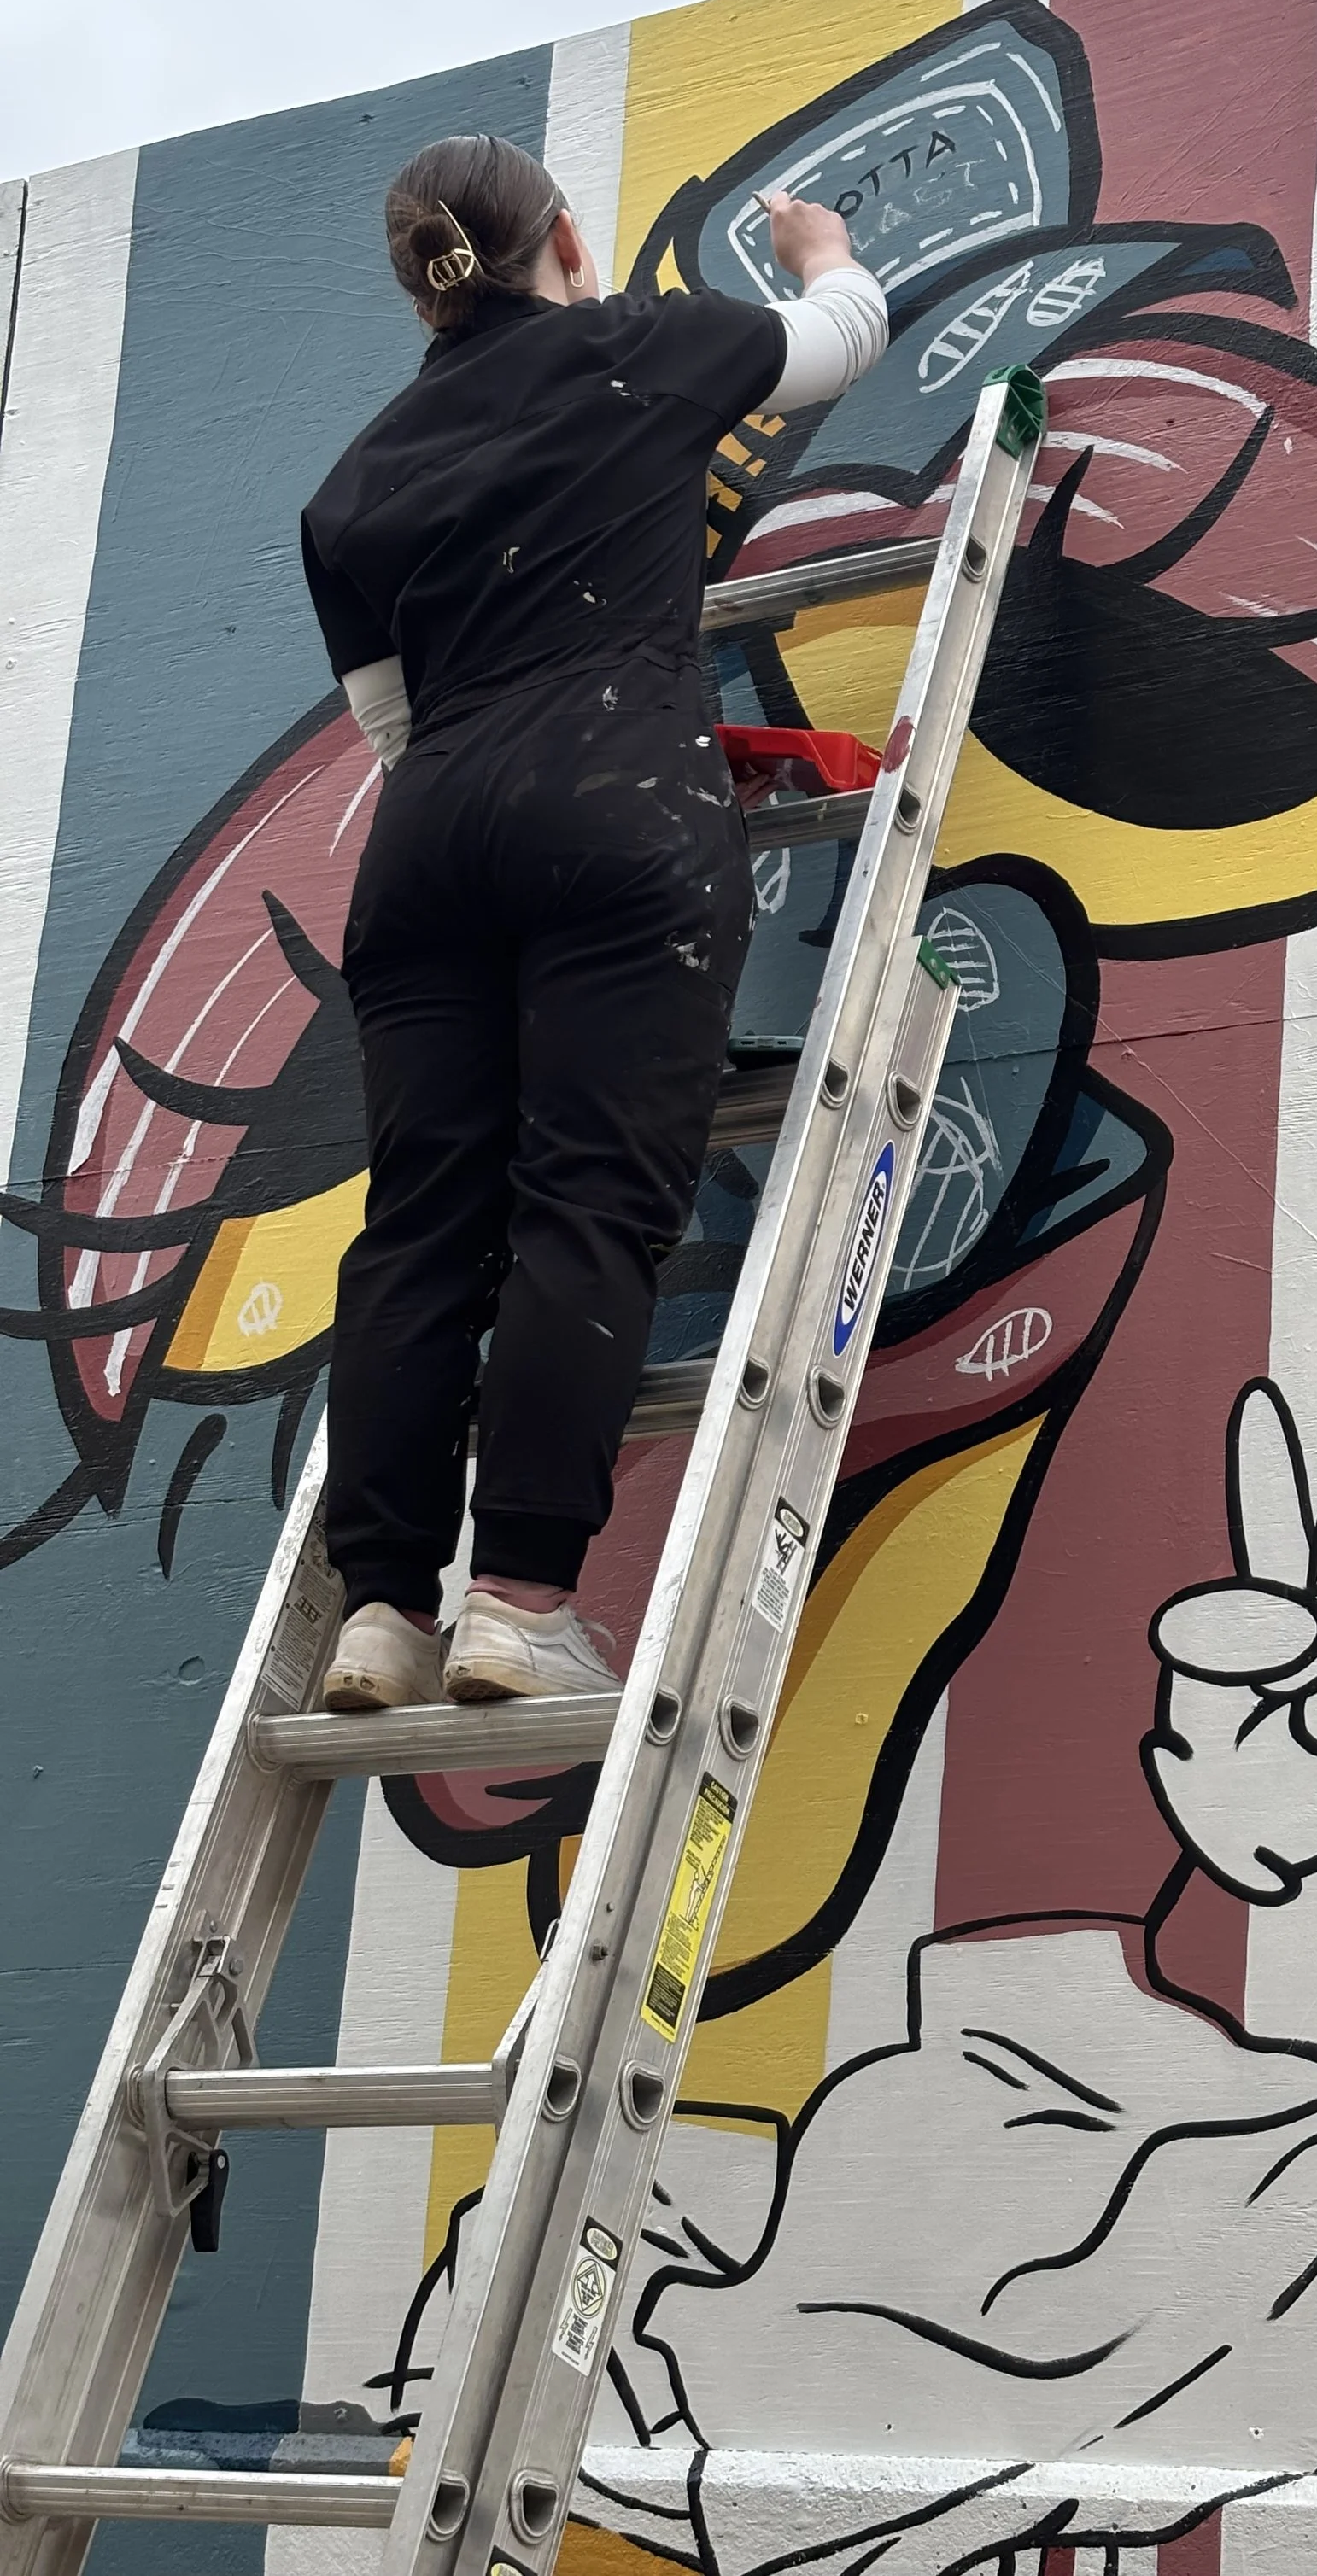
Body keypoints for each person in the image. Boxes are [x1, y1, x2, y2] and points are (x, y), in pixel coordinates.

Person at [298, 133, 888, 1713]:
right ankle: (519, 1603)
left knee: (421, 1228)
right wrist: (821, 249)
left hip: (427, 861)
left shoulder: (350, 485)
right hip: (617, 817)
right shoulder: (636, 348)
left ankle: (379, 1614)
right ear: (565, 238)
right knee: (588, 1200)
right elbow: (843, 337)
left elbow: (392, 729)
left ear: (419, 291)